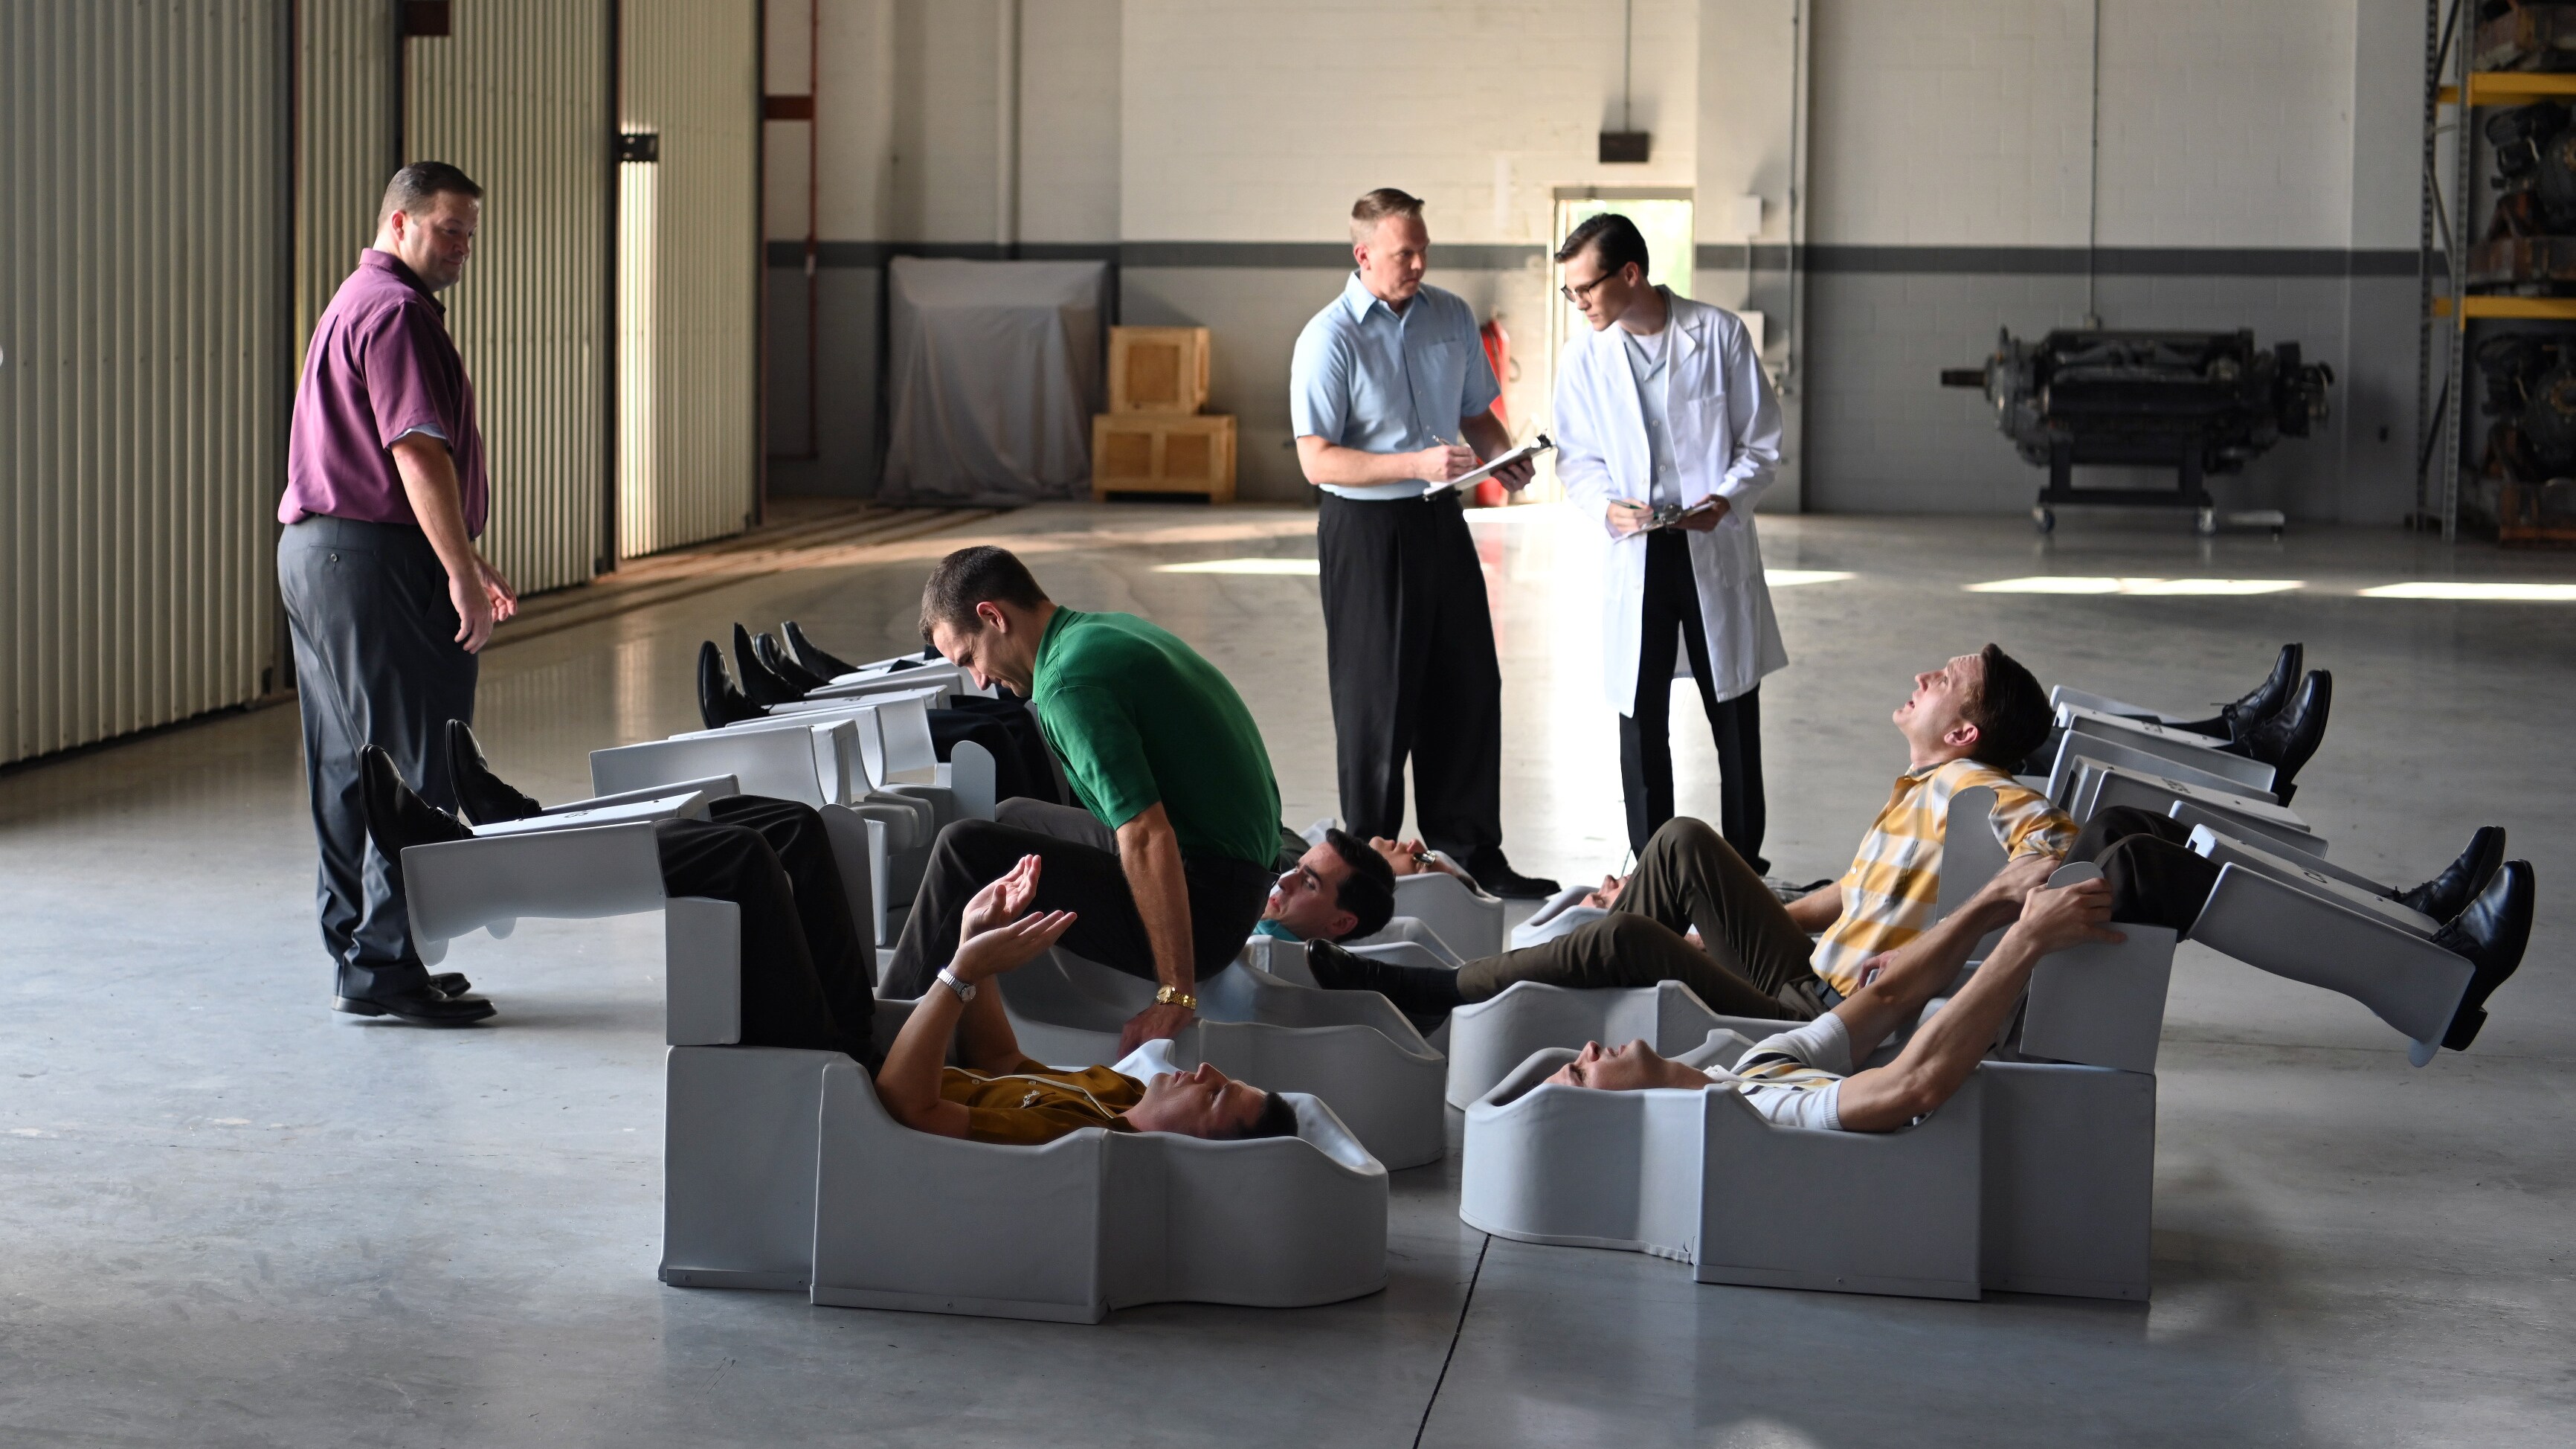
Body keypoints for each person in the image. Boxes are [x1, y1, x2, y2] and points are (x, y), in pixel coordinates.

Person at [1304, 646, 2071, 1026]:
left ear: (1964, 731)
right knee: (1677, 840)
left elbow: (2058, 856)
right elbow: (1846, 894)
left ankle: (1442, 993)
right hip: (1803, 969)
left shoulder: (1978, 789)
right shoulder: (1926, 789)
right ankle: (1573, 971)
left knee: (1630, 937)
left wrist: (1939, 942)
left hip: (1825, 1014)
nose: (1925, 677)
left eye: (1944, 680)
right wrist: (1725, 925)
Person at [279, 161, 517, 1027]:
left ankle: (360, 951)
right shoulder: (399, 313)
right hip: (373, 562)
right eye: (447, 228)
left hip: (323, 555)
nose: (460, 247)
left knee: (350, 764)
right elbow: (415, 451)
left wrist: (466, 555)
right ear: (398, 222)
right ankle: (385, 958)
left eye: (469, 233)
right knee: (420, 760)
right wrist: (458, 572)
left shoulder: (356, 301)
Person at [888, 547, 1284, 1051]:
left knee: (964, 848)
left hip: (1210, 909)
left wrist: (1176, 995)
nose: (980, 680)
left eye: (969, 658)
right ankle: (974, 1017)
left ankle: (889, 1038)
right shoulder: (1098, 631)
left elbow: (1144, 833)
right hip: (1236, 874)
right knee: (1011, 821)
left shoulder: (1068, 685)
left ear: (993, 616)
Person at [1289, 187, 1556, 900]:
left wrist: (1504, 458)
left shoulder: (1451, 316)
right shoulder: (1329, 337)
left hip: (1442, 522)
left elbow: (1477, 414)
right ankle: (1371, 866)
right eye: (1404, 251)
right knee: (1378, 702)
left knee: (1468, 686)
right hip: (1366, 531)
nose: (1418, 262)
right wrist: (1414, 464)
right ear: (1364, 254)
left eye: (1424, 248)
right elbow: (1317, 460)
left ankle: (1471, 855)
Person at [353, 728, 877, 1059]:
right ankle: (527, 826)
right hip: (859, 1036)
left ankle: (470, 858)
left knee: (740, 856)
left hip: (825, 1065)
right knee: (795, 826)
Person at [1552, 212, 1786, 868]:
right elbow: (1576, 456)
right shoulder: (1585, 357)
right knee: (1640, 709)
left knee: (1733, 708)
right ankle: (1654, 862)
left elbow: (1760, 443)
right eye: (1568, 293)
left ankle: (1743, 861)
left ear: (1630, 273)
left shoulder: (1718, 335)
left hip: (1712, 544)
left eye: (1586, 289)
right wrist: (1607, 506)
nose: (1579, 304)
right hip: (1638, 551)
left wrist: (1726, 499)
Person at [1548, 865, 2118, 1132]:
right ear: (1607, 1124)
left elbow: (1891, 995)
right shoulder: (1753, 1117)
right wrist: (2026, 938)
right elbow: (1911, 1086)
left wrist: (1994, 897)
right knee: (2127, 871)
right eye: (1579, 1072)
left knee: (2109, 853)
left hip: (2030, 1040)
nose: (1590, 1046)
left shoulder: (1748, 1073)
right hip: (2025, 1112)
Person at [872, 855, 1300, 1144]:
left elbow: (907, 1108)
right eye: (1225, 1080)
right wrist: (974, 939)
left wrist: (961, 973)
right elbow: (997, 1059)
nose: (1207, 1070)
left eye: (1215, 1096)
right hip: (884, 1057)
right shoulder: (1124, 1093)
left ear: (1196, 1147)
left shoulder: (1079, 1141)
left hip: (860, 1092)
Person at [2071, 809, 2533, 1053]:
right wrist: (2008, 922)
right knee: (2138, 869)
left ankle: (2400, 914)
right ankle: (2435, 983)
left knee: (2118, 826)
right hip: (2011, 1033)